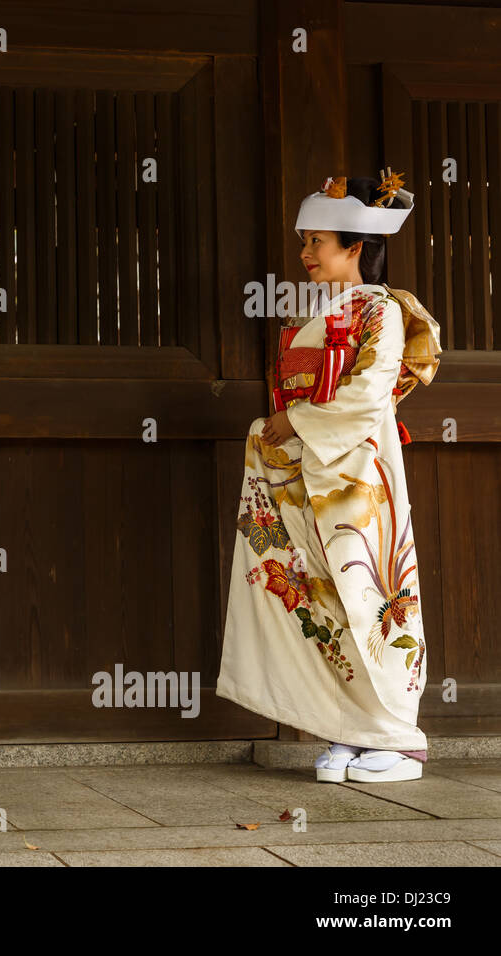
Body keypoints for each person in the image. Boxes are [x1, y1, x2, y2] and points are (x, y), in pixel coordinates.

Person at [216, 170, 442, 784]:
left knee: (367, 592)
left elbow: (368, 396)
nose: (305, 254)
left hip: (358, 476)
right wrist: (285, 428)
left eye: (316, 240)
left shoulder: (382, 311)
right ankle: (351, 728)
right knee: (323, 595)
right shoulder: (330, 312)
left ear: (355, 247)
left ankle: (398, 736)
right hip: (313, 473)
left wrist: (293, 419)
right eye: (304, 240)